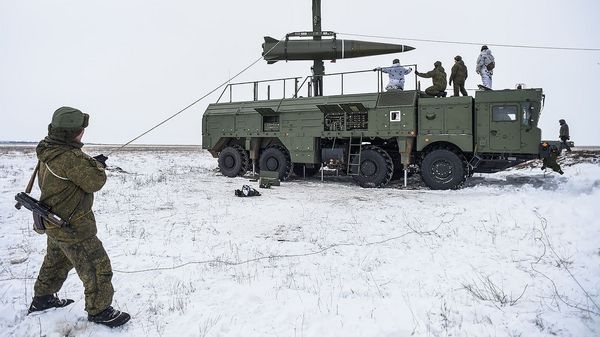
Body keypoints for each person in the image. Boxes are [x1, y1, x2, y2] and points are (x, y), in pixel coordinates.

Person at [29, 107, 130, 328]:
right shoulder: (69, 157)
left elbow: (70, 175)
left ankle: (43, 299)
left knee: (56, 261)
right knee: (97, 266)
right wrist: (98, 167)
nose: (82, 133)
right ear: (72, 132)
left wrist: (90, 164)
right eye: (80, 130)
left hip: (54, 221)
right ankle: (100, 310)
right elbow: (95, 182)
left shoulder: (49, 150)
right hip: (72, 225)